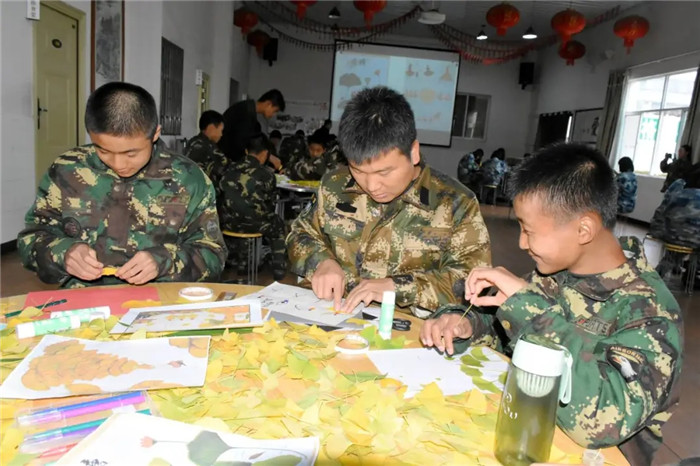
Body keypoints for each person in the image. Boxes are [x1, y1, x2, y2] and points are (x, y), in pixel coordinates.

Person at [421, 143, 683, 465]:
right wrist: (465, 324)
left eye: (529, 231)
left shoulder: (650, 311)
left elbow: (600, 420)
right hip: (524, 435)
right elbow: (502, 328)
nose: (521, 243)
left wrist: (528, 308)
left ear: (583, 229)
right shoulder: (556, 275)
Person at [286, 86, 491, 315]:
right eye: (358, 170)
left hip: (406, 326)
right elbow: (300, 233)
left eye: (384, 172)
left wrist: (397, 287)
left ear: (413, 152)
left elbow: (471, 281)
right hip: (333, 314)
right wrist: (321, 262)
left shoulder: (455, 203)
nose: (372, 185)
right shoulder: (335, 185)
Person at [18, 82, 227, 288]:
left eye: (131, 153)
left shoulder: (188, 179)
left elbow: (213, 255)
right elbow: (32, 238)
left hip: (159, 299)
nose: (119, 164)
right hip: (83, 299)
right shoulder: (67, 170)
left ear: (155, 134)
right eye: (103, 151)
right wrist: (64, 253)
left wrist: (164, 262)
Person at [219, 133, 287, 280]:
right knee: (277, 223)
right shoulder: (266, 175)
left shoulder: (227, 169)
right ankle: (279, 269)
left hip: (227, 223)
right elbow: (270, 205)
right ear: (265, 153)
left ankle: (241, 262)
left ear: (246, 151)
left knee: (241, 214)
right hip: (256, 225)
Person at [650, 167, 700, 279]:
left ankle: (656, 276)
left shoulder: (677, 192)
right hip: (693, 241)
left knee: (675, 250)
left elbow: (663, 212)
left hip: (670, 236)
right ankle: (692, 273)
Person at [218, 89, 286, 162]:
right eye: (275, 111)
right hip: (225, 158)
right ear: (269, 104)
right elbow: (240, 144)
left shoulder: (248, 110)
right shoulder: (245, 112)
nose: (274, 115)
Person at [185, 110, 229, 192]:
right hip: (205, 193)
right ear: (211, 127)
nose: (221, 134)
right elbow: (225, 169)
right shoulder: (208, 147)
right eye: (220, 130)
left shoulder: (192, 142)